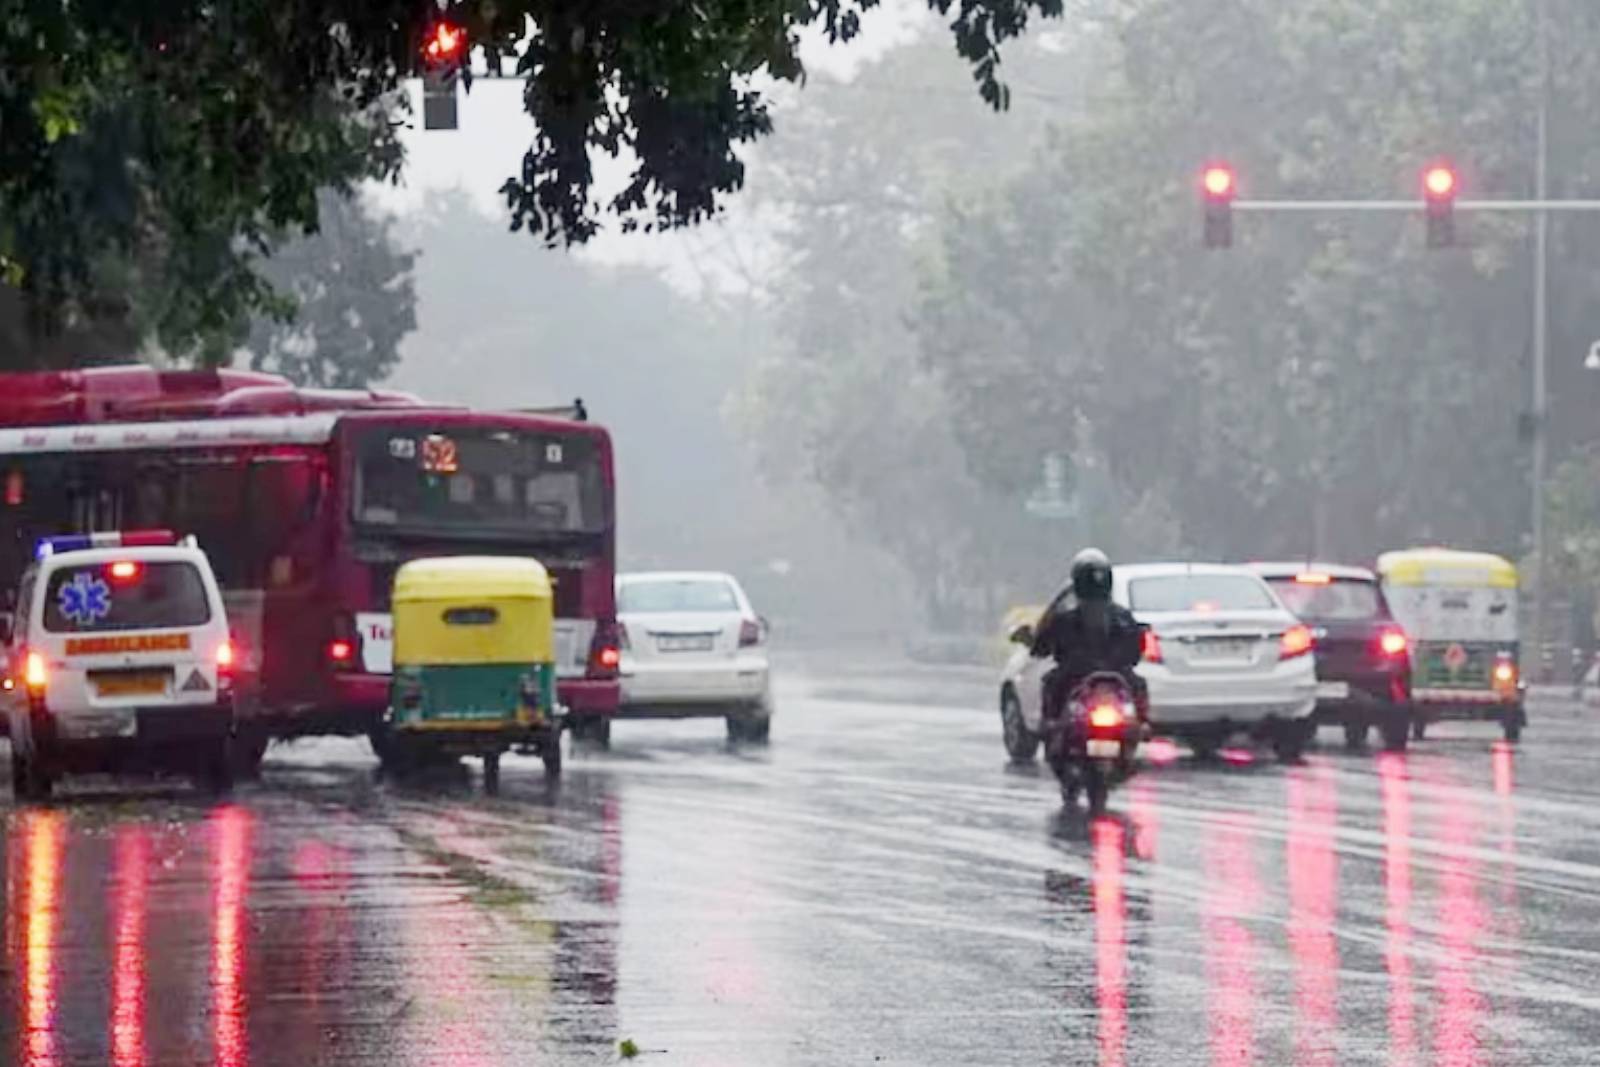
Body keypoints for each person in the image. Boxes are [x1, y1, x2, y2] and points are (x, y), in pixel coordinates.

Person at [1032, 548, 1146, 728]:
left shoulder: (1064, 618)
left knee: (1051, 683)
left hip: (1076, 675)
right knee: (1139, 684)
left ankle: (1051, 724)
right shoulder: (1122, 616)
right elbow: (1136, 654)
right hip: (1110, 674)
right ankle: (1141, 722)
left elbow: (1041, 647)